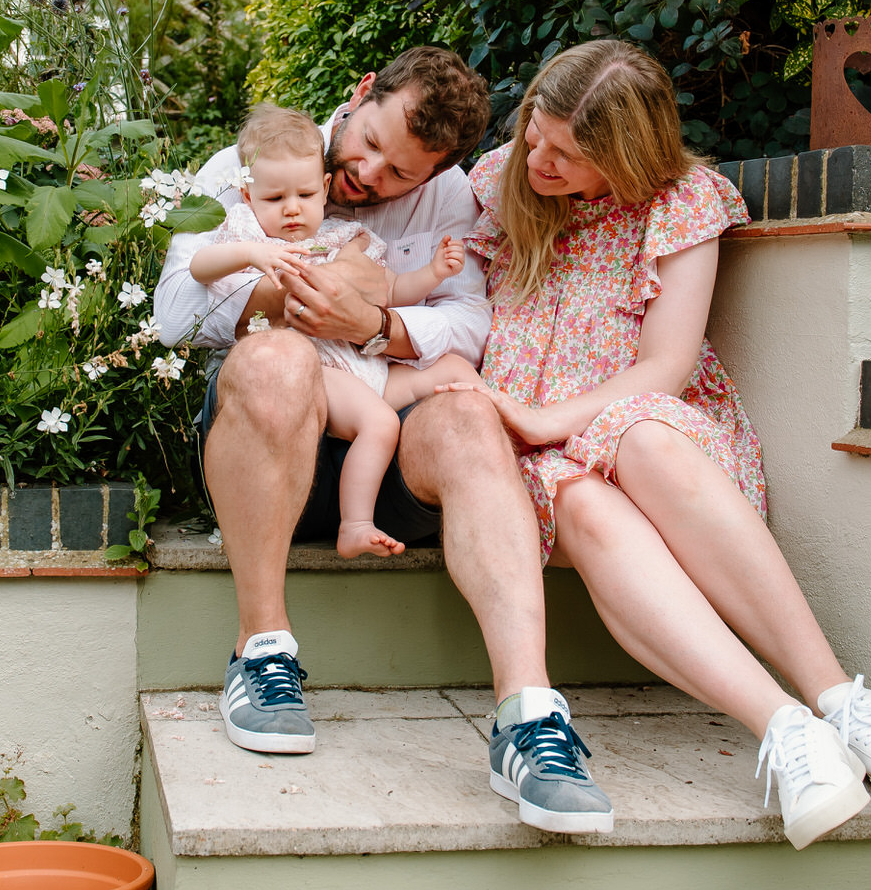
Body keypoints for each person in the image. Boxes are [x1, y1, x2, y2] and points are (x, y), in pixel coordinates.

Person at [443, 40, 871, 849]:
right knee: (582, 502)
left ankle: (839, 699)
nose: (535, 159)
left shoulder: (681, 202)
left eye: (566, 153)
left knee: (640, 433)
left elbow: (666, 366)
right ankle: (785, 726)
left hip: (653, 430)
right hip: (541, 461)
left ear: (625, 153)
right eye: (535, 134)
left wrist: (556, 416)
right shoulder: (494, 183)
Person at [156, 46, 617, 834]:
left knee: (471, 410)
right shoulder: (250, 162)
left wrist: (375, 324)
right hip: (264, 445)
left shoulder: (447, 202)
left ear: (435, 170)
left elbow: (472, 325)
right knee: (275, 359)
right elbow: (172, 313)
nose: (371, 175)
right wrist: (288, 293)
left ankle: (530, 720)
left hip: (384, 439)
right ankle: (262, 649)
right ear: (363, 91)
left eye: (401, 173)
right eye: (369, 144)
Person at [188, 104, 475, 559]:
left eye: (304, 195)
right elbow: (199, 267)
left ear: (323, 189)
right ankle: (355, 523)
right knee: (379, 424)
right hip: (315, 374)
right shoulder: (246, 231)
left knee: (455, 368)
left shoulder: (344, 237)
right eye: (273, 199)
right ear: (248, 197)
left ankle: (495, 476)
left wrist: (435, 273)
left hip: (364, 366)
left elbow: (394, 289)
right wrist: (250, 255)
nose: (290, 210)